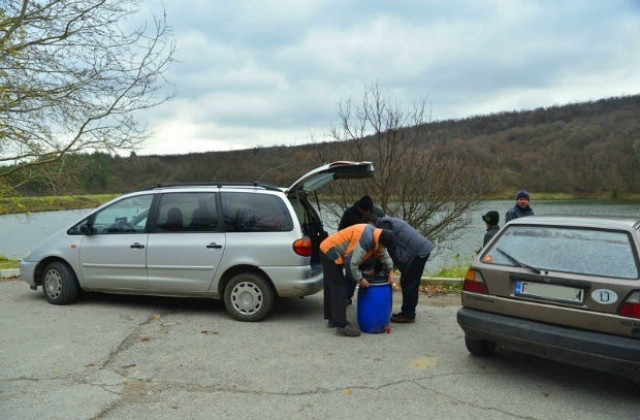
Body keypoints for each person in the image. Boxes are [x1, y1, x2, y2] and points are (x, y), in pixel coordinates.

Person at [320, 224, 395, 337]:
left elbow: (384, 255)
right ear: (380, 241)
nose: (383, 249)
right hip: (329, 251)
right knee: (339, 288)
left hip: (331, 249)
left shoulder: (378, 236)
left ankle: (332, 319)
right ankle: (342, 326)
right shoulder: (366, 239)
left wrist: (391, 270)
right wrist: (361, 280)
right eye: (383, 246)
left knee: (332, 286)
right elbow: (351, 264)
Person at [366, 214, 435, 324]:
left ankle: (408, 314)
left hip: (418, 252)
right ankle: (407, 312)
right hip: (419, 250)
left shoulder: (383, 226)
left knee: (409, 282)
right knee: (409, 281)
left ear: (370, 223)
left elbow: (384, 250)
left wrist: (384, 269)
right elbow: (384, 251)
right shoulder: (385, 222)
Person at [338, 195, 385, 302]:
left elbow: (383, 235)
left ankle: (369, 297)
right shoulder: (349, 213)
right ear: (359, 207)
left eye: (367, 211)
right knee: (351, 273)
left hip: (371, 251)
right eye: (362, 211)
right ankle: (346, 296)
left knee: (370, 273)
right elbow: (341, 232)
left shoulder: (378, 214)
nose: (364, 213)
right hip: (353, 250)